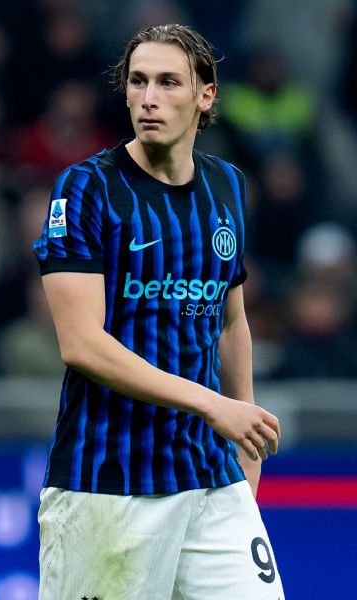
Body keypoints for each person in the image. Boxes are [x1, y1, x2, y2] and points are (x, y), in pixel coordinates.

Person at [33, 23, 285, 600]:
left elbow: (230, 320)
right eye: (138, 81)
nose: (148, 98)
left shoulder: (227, 186)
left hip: (209, 478)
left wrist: (245, 440)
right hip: (109, 484)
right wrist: (214, 405)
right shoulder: (85, 189)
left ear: (205, 95)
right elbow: (81, 344)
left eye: (168, 82)